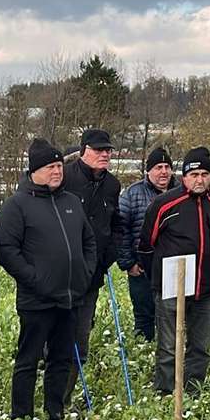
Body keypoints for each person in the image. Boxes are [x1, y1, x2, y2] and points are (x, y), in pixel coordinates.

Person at [0, 139, 96, 420]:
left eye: (59, 166)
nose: (57, 171)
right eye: (51, 167)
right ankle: (21, 418)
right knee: (28, 361)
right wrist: (35, 280)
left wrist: (85, 274)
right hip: (36, 301)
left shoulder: (71, 202)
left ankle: (55, 413)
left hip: (70, 298)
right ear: (35, 171)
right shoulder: (18, 205)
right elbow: (6, 251)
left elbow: (88, 241)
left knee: (61, 360)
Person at [140, 147, 210, 395]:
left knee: (200, 346)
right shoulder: (165, 204)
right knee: (169, 346)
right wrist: (156, 277)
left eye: (204, 174)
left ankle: (192, 391)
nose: (199, 180)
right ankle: (166, 391)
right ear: (184, 177)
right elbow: (147, 245)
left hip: (206, 288)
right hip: (171, 288)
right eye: (194, 174)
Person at [61, 129, 124, 381]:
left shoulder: (112, 185)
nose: (105, 154)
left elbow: (116, 224)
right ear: (84, 150)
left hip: (93, 275)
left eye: (108, 150)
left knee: (81, 338)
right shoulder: (64, 177)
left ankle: (69, 393)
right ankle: (49, 396)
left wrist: (110, 252)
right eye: (99, 150)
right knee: (55, 340)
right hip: (61, 274)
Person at [116, 147, 175, 341]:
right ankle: (144, 353)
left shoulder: (180, 192)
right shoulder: (132, 194)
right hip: (141, 269)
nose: (164, 172)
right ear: (148, 171)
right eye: (159, 167)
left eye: (167, 167)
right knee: (144, 318)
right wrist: (128, 263)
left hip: (172, 269)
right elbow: (121, 231)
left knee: (171, 319)